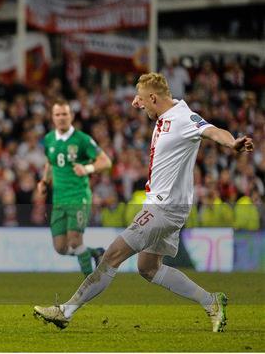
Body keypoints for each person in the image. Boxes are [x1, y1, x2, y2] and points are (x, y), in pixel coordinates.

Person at [33, 73, 253, 332]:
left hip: (164, 207)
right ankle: (211, 301)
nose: (140, 106)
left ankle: (65, 312)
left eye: (144, 101)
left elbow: (213, 131)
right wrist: (139, 98)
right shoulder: (162, 112)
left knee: (113, 254)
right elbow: (147, 99)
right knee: (148, 268)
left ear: (154, 98)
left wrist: (233, 144)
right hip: (163, 206)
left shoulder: (183, 118)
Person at [38, 100, 111, 275]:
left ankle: (89, 285)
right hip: (59, 200)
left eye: (65, 114)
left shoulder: (82, 140)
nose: (61, 118)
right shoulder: (48, 140)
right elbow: (50, 162)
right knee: (60, 248)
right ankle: (96, 253)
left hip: (78, 197)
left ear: (71, 116)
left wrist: (87, 168)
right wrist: (44, 181)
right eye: (58, 114)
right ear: (53, 117)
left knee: (75, 241)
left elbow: (106, 161)